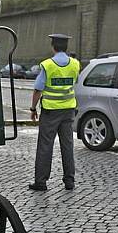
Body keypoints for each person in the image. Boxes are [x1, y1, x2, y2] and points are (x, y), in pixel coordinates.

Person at [28, 34, 80, 191]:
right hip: (69, 110)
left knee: (45, 145)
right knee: (67, 145)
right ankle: (69, 181)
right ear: (66, 47)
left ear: (53, 46)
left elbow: (38, 89)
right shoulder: (75, 64)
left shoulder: (47, 65)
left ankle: (41, 182)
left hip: (51, 111)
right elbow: (74, 82)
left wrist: (33, 108)